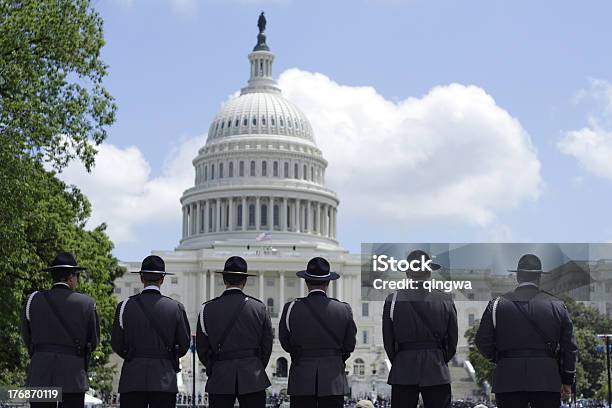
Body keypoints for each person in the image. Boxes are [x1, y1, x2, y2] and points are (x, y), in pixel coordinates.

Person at [476, 253, 578, 408]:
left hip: (508, 378)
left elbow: (482, 341)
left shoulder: (496, 304)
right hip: (547, 378)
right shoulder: (557, 305)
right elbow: (569, 348)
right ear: (539, 278)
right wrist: (567, 380)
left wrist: (500, 359)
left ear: (518, 277)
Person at [20, 251, 100, 408]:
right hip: (73, 375)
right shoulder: (87, 304)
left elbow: (26, 336)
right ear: (71, 278)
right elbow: (94, 341)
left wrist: (40, 354)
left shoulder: (32, 300)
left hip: (41, 372)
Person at [111, 255, 191, 408]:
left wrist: (132, 355)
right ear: (162, 279)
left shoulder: (124, 306)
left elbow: (116, 342)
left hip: (132, 376)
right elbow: (184, 344)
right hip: (164, 379)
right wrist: (168, 356)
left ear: (141, 278)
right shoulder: (176, 308)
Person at [382, 249, 458, 408]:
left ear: (408, 273)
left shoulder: (393, 300)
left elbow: (388, 340)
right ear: (429, 272)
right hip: (436, 367)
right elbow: (452, 340)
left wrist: (400, 359)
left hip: (404, 366)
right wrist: (440, 358)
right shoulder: (445, 299)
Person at [279, 257, 357, 408]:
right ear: (328, 283)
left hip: (301, 375)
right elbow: (349, 345)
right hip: (333, 378)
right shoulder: (343, 309)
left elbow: (285, 341)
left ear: (306, 282)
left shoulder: (291, 307)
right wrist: (335, 357)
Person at [196, 256, 273, 408]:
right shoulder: (259, 308)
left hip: (220, 375)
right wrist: (256, 365)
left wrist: (214, 366)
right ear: (244, 281)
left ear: (224, 280)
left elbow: (202, 348)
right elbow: (267, 346)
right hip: (253, 376)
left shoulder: (207, 309)